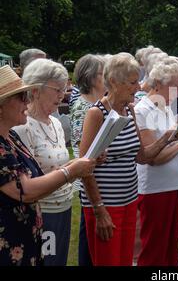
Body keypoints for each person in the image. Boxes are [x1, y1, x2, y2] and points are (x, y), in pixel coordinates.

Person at [78, 54, 178, 266]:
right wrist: (99, 209)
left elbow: (141, 156)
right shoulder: (96, 114)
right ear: (114, 82)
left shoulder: (129, 110)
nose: (139, 86)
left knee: (125, 260)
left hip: (129, 200)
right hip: (106, 204)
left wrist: (167, 138)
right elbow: (84, 167)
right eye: (133, 82)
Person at [0, 65, 95, 266]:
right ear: (1, 106)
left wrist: (77, 164)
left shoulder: (11, 138)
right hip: (10, 242)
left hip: (27, 233)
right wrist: (71, 171)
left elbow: (38, 173)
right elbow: (24, 190)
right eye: (20, 97)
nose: (27, 101)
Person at [13, 59, 74, 266]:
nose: (62, 95)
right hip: (42, 212)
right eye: (57, 89)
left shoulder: (56, 122)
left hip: (64, 206)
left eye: (64, 89)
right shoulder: (22, 127)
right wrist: (67, 172)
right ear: (36, 90)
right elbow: (27, 179)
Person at [134, 57, 178, 266]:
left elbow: (169, 145)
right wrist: (177, 146)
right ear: (157, 83)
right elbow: (152, 157)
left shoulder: (165, 108)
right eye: (173, 87)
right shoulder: (142, 110)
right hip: (155, 188)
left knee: (169, 246)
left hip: (174, 184)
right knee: (154, 248)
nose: (176, 93)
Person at [69, 54, 106, 266]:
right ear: (91, 77)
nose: (107, 79)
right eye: (103, 74)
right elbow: (80, 147)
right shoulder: (84, 107)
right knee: (88, 231)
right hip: (88, 175)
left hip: (95, 172)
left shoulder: (96, 103)